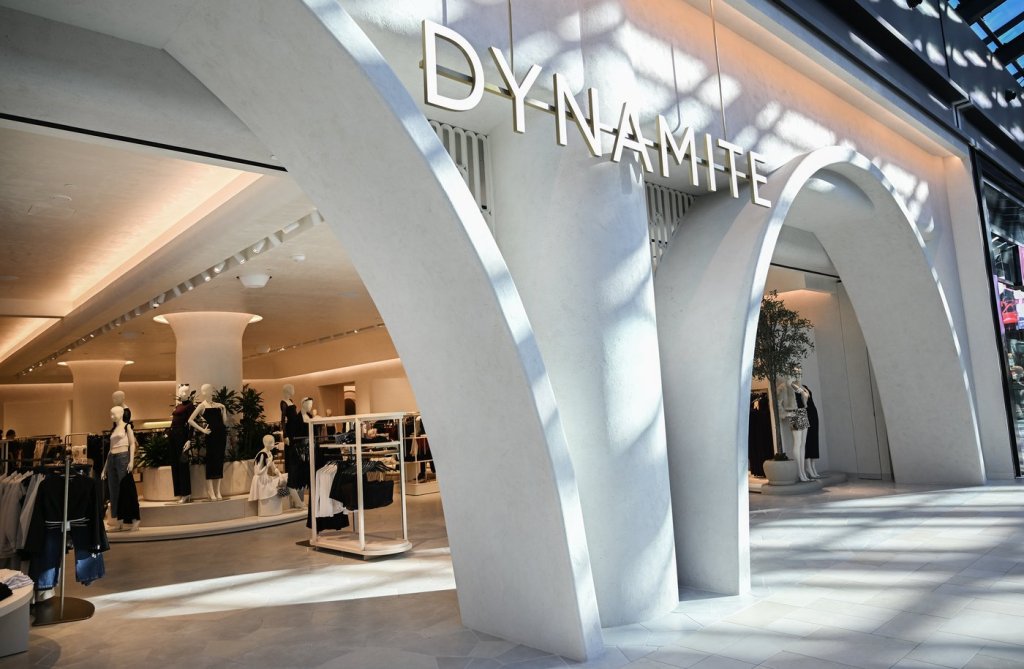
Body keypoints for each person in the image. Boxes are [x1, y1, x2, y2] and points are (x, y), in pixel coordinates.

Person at [188, 383, 228, 501]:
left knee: (219, 461)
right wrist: (203, 430)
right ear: (203, 392)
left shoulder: (218, 405)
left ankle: (218, 490)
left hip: (221, 435)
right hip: (211, 436)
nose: (208, 391)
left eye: (209, 389)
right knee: (211, 461)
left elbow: (224, 422)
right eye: (206, 390)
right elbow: (190, 420)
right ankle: (211, 491)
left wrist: (224, 409)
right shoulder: (202, 406)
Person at [102, 406, 139, 531]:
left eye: (114, 414)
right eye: (111, 414)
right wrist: (104, 469)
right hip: (112, 458)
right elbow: (110, 450)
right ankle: (119, 521)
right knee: (114, 491)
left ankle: (134, 520)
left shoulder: (127, 427)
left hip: (123, 457)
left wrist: (131, 461)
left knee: (126, 489)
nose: (112, 416)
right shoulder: (114, 430)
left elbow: (132, 444)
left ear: (121, 413)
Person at [778, 370, 812, 482]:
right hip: (795, 414)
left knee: (803, 444)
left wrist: (805, 394)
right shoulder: (784, 387)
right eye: (796, 373)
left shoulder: (798, 387)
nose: (798, 376)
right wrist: (786, 414)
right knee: (797, 443)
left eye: (799, 374)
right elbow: (777, 403)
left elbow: (804, 401)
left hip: (802, 413)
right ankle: (799, 472)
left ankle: (803, 472)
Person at [280, 384, 307, 506]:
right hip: (290, 432)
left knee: (296, 458)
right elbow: (283, 420)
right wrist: (285, 435)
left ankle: (296, 495)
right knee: (292, 458)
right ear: (288, 390)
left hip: (295, 432)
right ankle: (291, 493)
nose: (294, 390)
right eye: (292, 389)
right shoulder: (283, 403)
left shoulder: (291, 401)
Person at [168, 384, 194, 504]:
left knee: (183, 464)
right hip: (173, 435)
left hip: (182, 435)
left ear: (188, 394)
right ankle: (180, 492)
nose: (182, 394)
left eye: (184, 392)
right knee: (175, 464)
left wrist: (189, 439)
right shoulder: (178, 406)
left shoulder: (190, 406)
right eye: (181, 392)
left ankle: (186, 493)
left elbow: (191, 424)